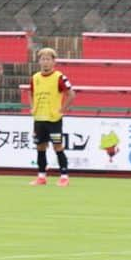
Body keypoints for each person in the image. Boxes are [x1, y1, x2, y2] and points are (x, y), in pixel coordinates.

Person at [29, 47, 76, 186]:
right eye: (43, 59)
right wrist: (32, 107)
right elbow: (30, 93)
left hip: (53, 119)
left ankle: (64, 176)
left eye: (48, 59)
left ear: (54, 62)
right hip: (39, 119)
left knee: (58, 147)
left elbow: (71, 94)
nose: (45, 62)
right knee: (40, 147)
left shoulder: (59, 77)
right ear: (39, 61)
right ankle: (41, 176)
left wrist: (62, 109)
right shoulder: (35, 77)